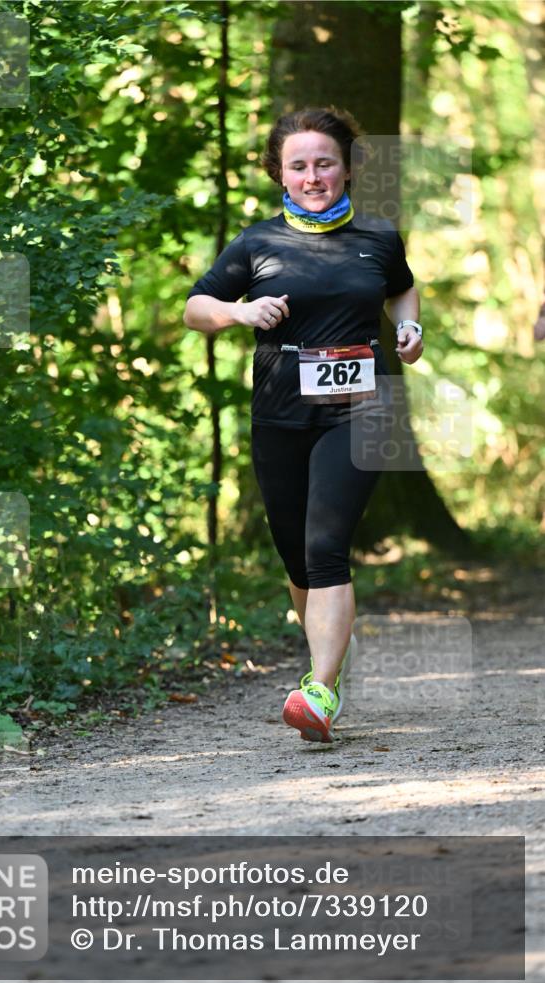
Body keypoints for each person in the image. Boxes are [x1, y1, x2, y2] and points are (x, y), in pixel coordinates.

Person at [183, 107, 422, 744]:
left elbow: (402, 288)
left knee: (326, 547)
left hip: (362, 406)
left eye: (324, 163)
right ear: (280, 175)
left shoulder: (378, 235)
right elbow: (195, 307)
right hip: (281, 410)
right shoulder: (258, 242)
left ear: (346, 168)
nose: (313, 175)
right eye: (299, 166)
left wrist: (409, 327)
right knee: (296, 556)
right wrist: (240, 312)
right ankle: (328, 674)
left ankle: (317, 689)